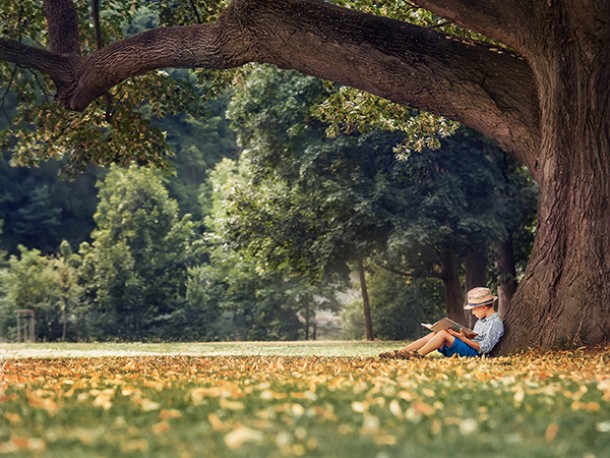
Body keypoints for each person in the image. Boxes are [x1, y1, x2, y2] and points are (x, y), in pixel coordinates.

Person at [379, 287, 504, 359]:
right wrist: (461, 334)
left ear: (483, 307)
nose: (472, 313)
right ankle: (400, 352)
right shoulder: (481, 321)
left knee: (443, 333)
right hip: (469, 347)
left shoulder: (495, 322)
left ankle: (417, 355)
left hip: (475, 354)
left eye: (474, 309)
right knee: (435, 334)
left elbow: (485, 347)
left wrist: (461, 338)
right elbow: (475, 338)